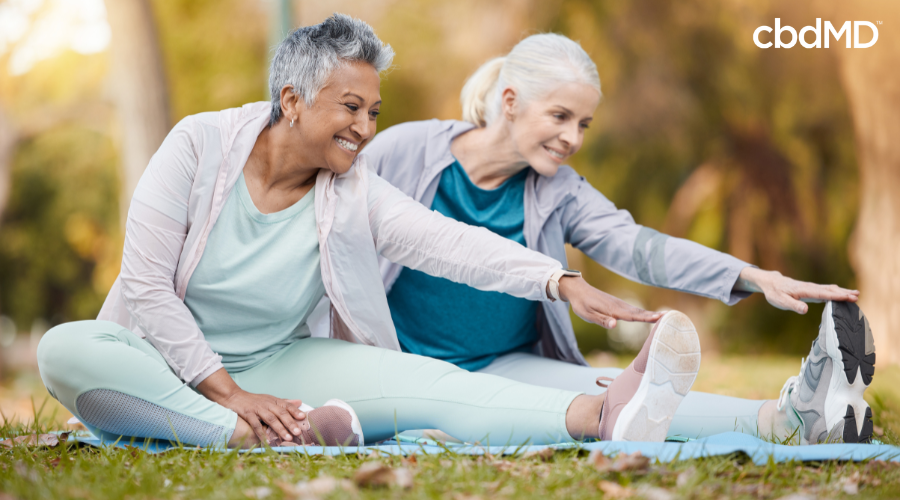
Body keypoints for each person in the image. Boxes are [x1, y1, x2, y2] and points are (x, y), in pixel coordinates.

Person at [35, 15, 701, 450]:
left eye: (373, 112)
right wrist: (231, 395)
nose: (365, 128)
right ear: (292, 101)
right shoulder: (198, 144)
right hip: (160, 360)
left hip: (278, 360)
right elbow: (147, 286)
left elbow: (449, 243)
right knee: (65, 350)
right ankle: (242, 433)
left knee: (430, 382)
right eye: (349, 107)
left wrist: (557, 280)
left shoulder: (353, 190)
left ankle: (599, 417)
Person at [339, 33, 874, 444]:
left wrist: (751, 276)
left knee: (626, 394)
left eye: (584, 124)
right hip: (404, 364)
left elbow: (637, 245)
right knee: (564, 406)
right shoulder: (401, 151)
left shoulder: (560, 191)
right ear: (509, 101)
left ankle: (792, 416)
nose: (572, 138)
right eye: (560, 116)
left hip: (508, 364)